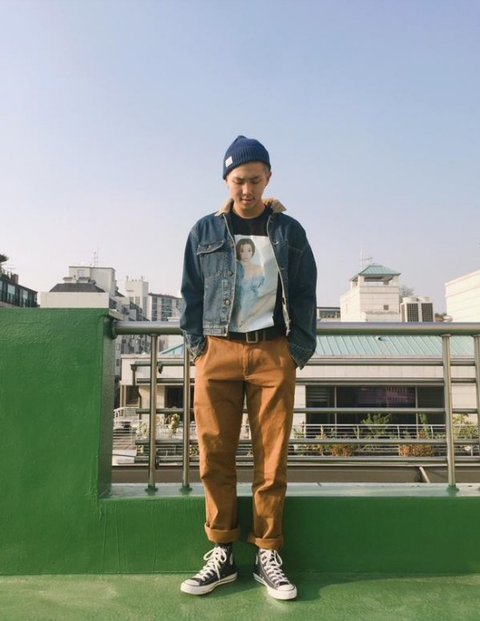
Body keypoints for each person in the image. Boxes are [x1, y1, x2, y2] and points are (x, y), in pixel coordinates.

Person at [179, 135, 317, 600]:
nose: (247, 189)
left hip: (272, 352)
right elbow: (190, 294)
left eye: (255, 180)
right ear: (226, 180)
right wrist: (199, 348)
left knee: (271, 459)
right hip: (217, 351)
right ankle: (221, 551)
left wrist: (296, 350)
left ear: (268, 178)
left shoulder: (289, 231)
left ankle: (268, 553)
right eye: (239, 180)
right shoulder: (204, 230)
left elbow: (305, 293)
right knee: (214, 454)